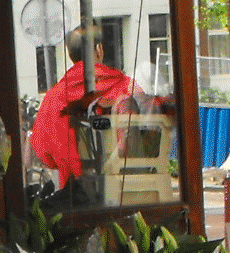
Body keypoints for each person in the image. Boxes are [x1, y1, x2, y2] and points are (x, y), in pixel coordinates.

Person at [28, 22, 149, 191]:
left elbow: (43, 151)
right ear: (99, 49)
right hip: (131, 181)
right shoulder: (126, 86)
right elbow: (150, 129)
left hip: (74, 191)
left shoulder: (53, 97)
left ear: (71, 55)